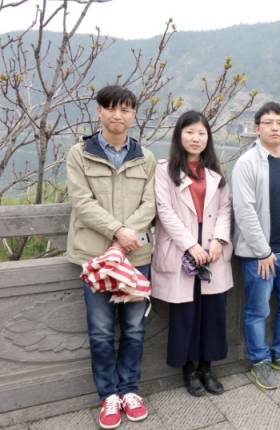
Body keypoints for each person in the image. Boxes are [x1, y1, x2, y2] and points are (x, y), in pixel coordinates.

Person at [66, 85, 156, 429]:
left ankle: (130, 390)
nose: (118, 115)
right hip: (95, 257)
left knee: (134, 329)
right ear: (100, 111)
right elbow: (81, 201)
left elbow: (150, 203)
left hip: (135, 256)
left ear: (133, 115)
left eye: (125, 109)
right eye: (111, 108)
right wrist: (118, 231)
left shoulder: (145, 157)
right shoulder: (80, 154)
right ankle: (108, 396)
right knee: (101, 331)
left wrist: (127, 236)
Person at [152, 111, 232, 397]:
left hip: (211, 251)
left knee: (213, 312)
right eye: (190, 132)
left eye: (201, 133)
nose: (196, 138)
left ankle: (207, 368)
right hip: (182, 250)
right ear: (179, 135)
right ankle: (188, 369)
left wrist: (219, 239)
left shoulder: (215, 173)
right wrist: (190, 245)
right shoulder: (164, 170)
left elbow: (224, 209)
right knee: (185, 313)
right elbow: (164, 211)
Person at [232, 101, 280, 390]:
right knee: (257, 310)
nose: (274, 128)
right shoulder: (247, 163)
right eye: (268, 123)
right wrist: (262, 251)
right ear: (257, 128)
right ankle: (259, 360)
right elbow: (245, 211)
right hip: (261, 256)